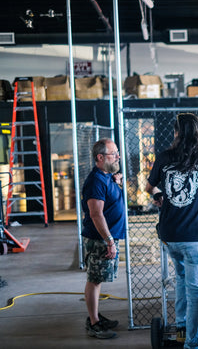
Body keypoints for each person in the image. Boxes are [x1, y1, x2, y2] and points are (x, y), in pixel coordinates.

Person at [146, 113, 198, 349]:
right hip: (195, 236)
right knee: (196, 290)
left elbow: (150, 187)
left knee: (181, 280)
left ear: (176, 133)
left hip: (171, 235)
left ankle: (181, 329)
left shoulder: (164, 158)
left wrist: (159, 195)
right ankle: (192, 343)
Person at [81, 138, 125, 339]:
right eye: (113, 154)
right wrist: (108, 240)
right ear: (100, 157)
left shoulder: (107, 176)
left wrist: (117, 183)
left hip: (107, 237)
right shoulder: (96, 181)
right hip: (99, 238)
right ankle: (93, 323)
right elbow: (96, 214)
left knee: (98, 279)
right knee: (94, 280)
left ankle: (96, 316)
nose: (118, 156)